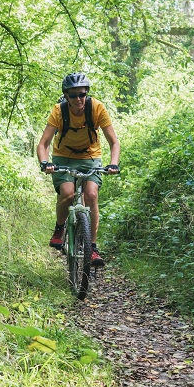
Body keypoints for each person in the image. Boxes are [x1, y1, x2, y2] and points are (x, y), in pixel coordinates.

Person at [35, 72, 120, 266]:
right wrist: (44, 162)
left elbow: (114, 142)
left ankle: (93, 248)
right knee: (67, 192)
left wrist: (114, 163)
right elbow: (43, 144)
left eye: (82, 94)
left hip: (90, 156)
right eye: (73, 95)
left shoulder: (97, 108)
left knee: (91, 195)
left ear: (86, 94)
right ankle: (59, 229)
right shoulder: (58, 111)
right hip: (63, 156)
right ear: (66, 96)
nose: (78, 99)